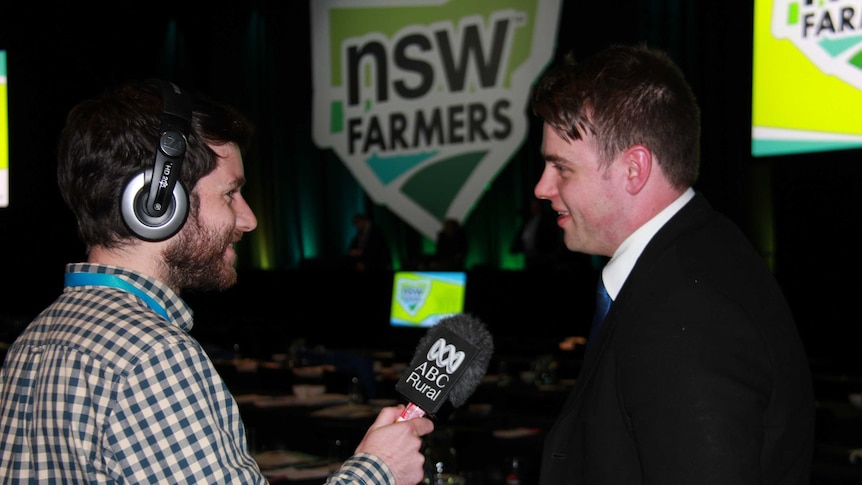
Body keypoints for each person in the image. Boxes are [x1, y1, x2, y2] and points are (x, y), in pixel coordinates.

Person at [0, 79, 433, 484]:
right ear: (158, 203)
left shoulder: (32, 342)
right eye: (230, 193)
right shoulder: (151, 359)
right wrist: (380, 469)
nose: (248, 219)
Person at [530, 44, 814, 484]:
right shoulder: (693, 261)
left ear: (633, 169)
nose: (542, 187)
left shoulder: (687, 309)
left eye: (561, 168)